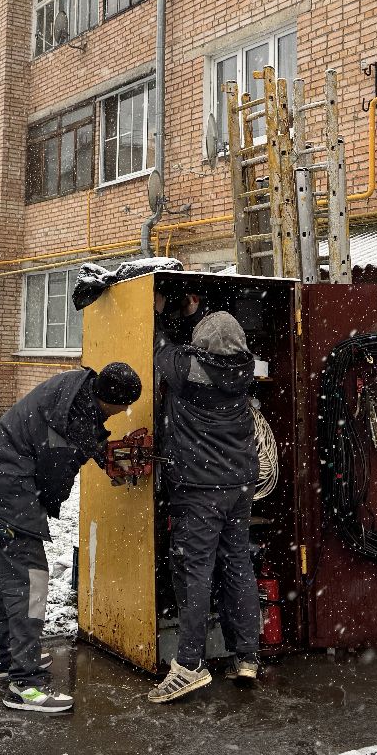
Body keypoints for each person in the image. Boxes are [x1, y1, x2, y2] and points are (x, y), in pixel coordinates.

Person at [0, 361, 143, 714]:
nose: (123, 412)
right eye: (124, 406)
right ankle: (25, 684)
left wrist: (104, 457)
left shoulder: (79, 389)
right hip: (7, 486)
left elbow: (83, 433)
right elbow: (54, 482)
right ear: (110, 399)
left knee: (6, 572)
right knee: (31, 579)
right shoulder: (69, 423)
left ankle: (7, 657)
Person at [147, 292, 261, 704]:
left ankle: (189, 665)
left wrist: (160, 311)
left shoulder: (184, 368)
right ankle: (245, 656)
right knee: (237, 564)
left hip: (199, 490)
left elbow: (159, 346)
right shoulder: (246, 368)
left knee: (195, 572)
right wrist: (194, 311)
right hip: (239, 486)